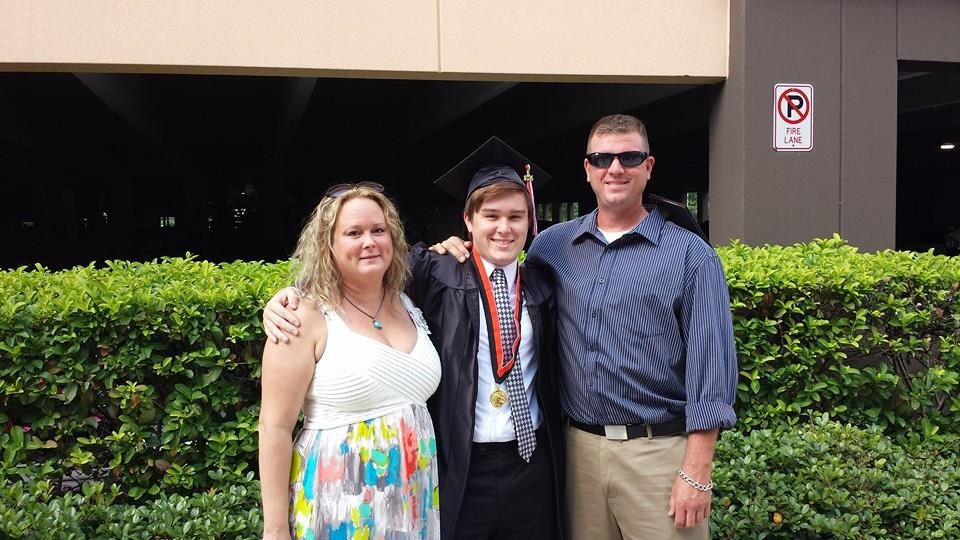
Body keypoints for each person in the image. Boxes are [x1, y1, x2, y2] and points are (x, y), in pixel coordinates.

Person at [435, 115, 738, 539]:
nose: (615, 169)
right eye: (602, 158)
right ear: (587, 169)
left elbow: (713, 372)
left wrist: (697, 473)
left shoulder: (691, 257)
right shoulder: (551, 247)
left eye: (629, 157)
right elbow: (502, 279)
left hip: (656, 454)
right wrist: (453, 249)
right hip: (576, 453)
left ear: (648, 166)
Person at [263, 138, 565, 540]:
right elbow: (352, 273)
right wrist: (287, 297)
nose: (504, 228)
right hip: (460, 470)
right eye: (491, 215)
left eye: (516, 216)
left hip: (530, 469)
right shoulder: (435, 272)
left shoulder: (544, 284)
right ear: (468, 220)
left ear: (530, 221)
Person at [258, 182, 441, 540]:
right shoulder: (302, 316)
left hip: (412, 500)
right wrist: (275, 529)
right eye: (353, 233)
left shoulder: (408, 302)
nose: (369, 242)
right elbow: (274, 428)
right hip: (336, 505)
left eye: (378, 230)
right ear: (328, 244)